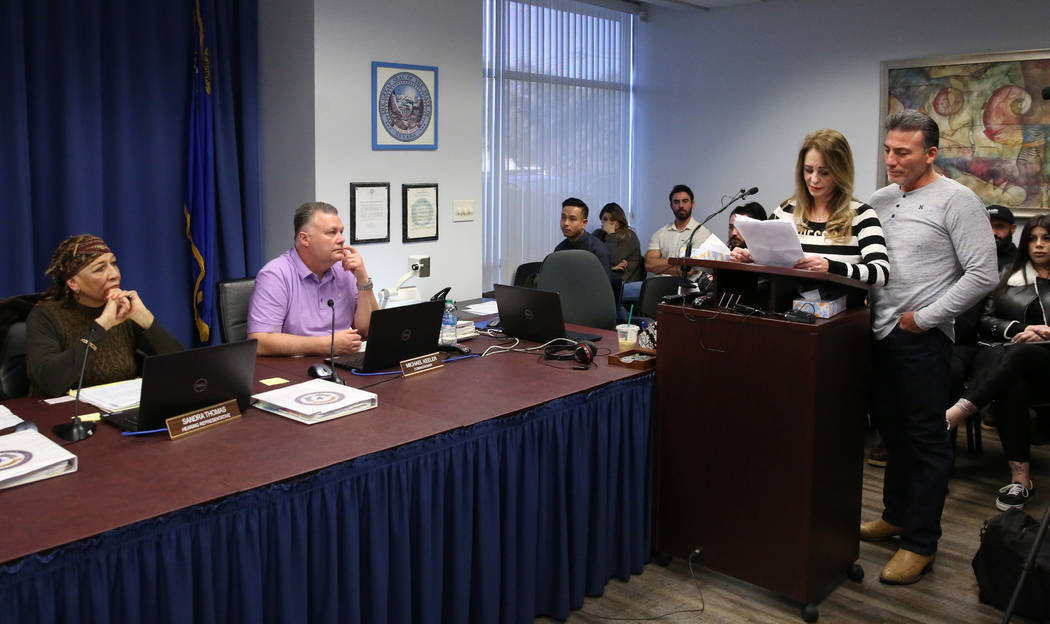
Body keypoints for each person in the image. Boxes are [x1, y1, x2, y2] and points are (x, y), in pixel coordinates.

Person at [860, 110, 998, 585]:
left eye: (903, 152)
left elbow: (984, 274)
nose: (892, 160)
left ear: (931, 153)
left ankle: (920, 543)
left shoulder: (958, 201)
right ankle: (895, 515)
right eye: (887, 150)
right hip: (876, 335)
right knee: (891, 437)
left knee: (926, 443)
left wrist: (925, 318)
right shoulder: (878, 200)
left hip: (921, 340)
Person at [945, 214, 1050, 511]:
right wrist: (1019, 330)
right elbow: (985, 320)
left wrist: (1045, 332)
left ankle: (959, 411)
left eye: (1046, 238)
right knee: (1011, 380)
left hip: (1045, 365)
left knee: (1019, 354)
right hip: (1014, 364)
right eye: (1033, 238)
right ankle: (1021, 481)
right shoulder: (1010, 277)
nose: (1038, 245)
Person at [25, 234, 182, 397]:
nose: (114, 274)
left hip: (120, 409)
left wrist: (146, 319)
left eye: (113, 263)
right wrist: (102, 325)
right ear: (73, 283)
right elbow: (50, 383)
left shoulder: (125, 310)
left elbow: (181, 368)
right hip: (68, 416)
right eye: (100, 268)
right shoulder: (45, 316)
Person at [729, 129, 889, 287]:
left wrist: (831, 267)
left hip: (837, 309)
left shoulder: (861, 215)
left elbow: (881, 273)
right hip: (783, 307)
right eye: (808, 170)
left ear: (841, 173)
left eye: (824, 172)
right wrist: (744, 256)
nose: (814, 179)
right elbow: (763, 259)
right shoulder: (786, 210)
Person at [248, 202, 379, 356]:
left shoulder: (344, 269)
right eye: (332, 232)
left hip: (342, 361)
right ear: (304, 239)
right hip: (295, 368)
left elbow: (368, 330)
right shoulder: (276, 275)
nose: (341, 239)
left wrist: (363, 281)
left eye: (341, 232)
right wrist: (327, 344)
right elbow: (260, 342)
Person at [644, 184, 712, 277]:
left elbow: (690, 271)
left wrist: (661, 266)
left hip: (687, 289)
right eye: (676, 202)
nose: (681, 206)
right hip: (659, 286)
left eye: (685, 201)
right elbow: (649, 264)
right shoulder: (660, 233)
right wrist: (679, 262)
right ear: (671, 205)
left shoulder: (702, 234)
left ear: (692, 204)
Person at [554, 197, 613, 280]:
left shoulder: (598, 251)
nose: (566, 223)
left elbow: (602, 289)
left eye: (572, 219)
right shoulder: (559, 250)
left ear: (584, 223)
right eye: (563, 217)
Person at [593, 202, 643, 283]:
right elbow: (591, 259)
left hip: (626, 283)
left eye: (612, 219)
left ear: (619, 220)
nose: (610, 222)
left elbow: (611, 260)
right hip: (606, 278)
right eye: (605, 219)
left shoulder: (628, 235)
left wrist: (611, 233)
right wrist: (612, 268)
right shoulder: (598, 234)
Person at [987, 205, 1018, 271]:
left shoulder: (1022, 260)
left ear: (1012, 229)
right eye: (988, 226)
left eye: (999, 226)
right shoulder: (969, 259)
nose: (993, 233)